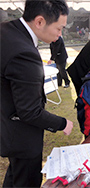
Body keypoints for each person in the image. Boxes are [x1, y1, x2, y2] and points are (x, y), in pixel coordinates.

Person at [0, 0, 73, 187]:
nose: (60, 34)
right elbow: (30, 111)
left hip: (7, 123)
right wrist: (62, 123)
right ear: (39, 21)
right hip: (20, 134)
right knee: (26, 180)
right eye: (59, 28)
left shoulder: (7, 30)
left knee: (15, 176)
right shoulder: (24, 53)